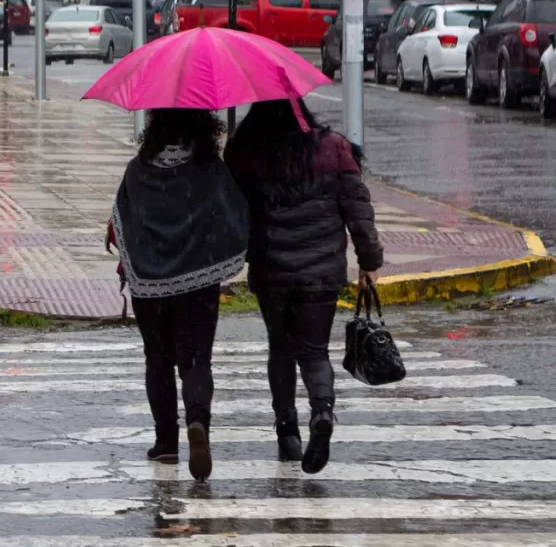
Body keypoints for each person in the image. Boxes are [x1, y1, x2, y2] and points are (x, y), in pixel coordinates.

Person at [224, 98, 383, 475]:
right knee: (314, 351)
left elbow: (231, 211)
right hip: (321, 272)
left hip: (270, 269)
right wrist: (370, 261)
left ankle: (287, 433)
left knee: (280, 348)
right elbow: (357, 208)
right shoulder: (333, 148)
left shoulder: (247, 153)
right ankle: (322, 411)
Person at [106, 109, 249, 482]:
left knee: (157, 359)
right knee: (196, 360)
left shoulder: (138, 170)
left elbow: (120, 223)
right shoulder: (208, 168)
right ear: (204, 125)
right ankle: (198, 422)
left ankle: (166, 441)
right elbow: (234, 216)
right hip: (199, 284)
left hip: (149, 287)